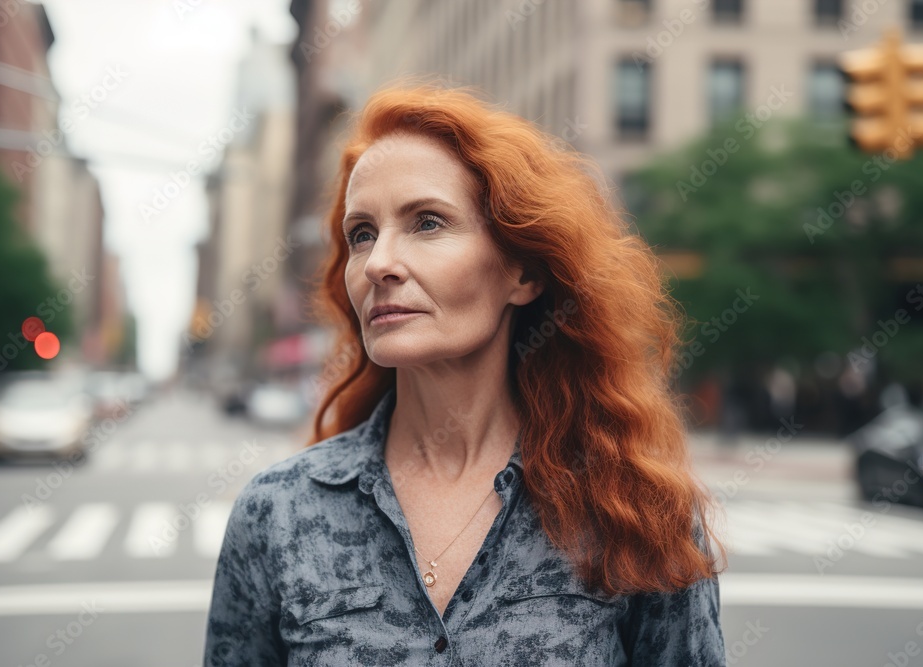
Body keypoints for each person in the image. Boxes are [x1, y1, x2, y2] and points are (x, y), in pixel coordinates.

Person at [203, 80, 727, 666]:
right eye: (362, 234)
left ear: (523, 273)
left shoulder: (631, 508)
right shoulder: (278, 514)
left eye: (427, 222)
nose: (378, 264)